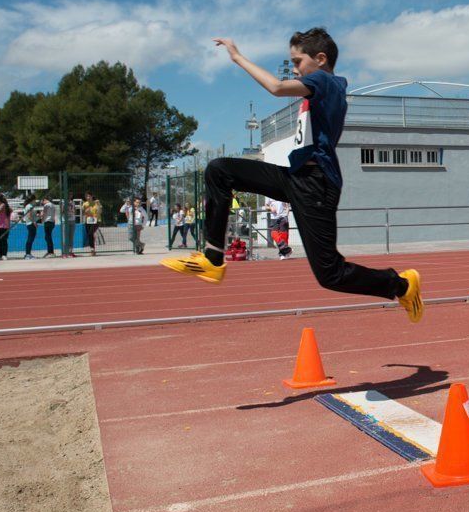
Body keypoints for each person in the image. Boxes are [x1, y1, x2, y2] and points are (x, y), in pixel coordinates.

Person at [161, 28, 423, 321]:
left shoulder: (325, 80)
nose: (295, 69)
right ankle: (212, 258)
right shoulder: (322, 85)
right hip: (296, 177)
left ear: (320, 59)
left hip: (316, 184)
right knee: (219, 170)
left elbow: (275, 87)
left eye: (298, 62)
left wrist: (237, 57)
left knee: (330, 274)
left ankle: (402, 285)